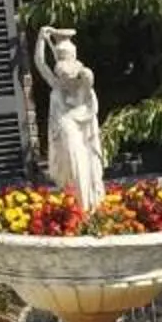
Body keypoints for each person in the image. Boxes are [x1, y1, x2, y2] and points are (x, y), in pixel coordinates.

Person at [35, 25, 105, 213]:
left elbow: (88, 86)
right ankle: (76, 206)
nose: (63, 76)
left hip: (78, 126)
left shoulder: (83, 83)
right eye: (61, 73)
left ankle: (85, 207)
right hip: (64, 127)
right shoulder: (56, 85)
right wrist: (41, 39)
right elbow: (40, 63)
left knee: (82, 163)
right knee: (71, 165)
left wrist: (84, 79)